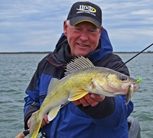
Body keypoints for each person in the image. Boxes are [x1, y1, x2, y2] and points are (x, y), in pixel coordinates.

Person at [24, 1, 140, 138]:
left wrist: (99, 105)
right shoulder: (46, 64)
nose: (84, 38)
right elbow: (31, 98)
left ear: (100, 32)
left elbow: (120, 113)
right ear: (66, 29)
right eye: (78, 29)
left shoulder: (113, 65)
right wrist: (32, 114)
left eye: (91, 31)